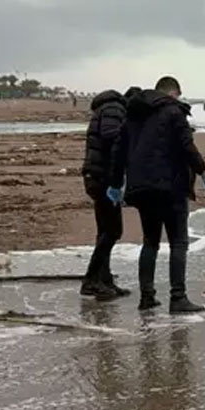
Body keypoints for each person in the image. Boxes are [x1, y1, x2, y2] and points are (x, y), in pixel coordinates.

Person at [110, 76, 205, 313]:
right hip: (171, 188)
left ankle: (147, 297)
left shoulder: (133, 114)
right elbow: (187, 146)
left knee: (150, 242)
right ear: (173, 93)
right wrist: (204, 173)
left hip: (141, 189)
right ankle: (178, 298)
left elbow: (119, 152)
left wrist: (116, 184)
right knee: (179, 242)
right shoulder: (173, 112)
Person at [80, 88, 135, 301]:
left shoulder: (106, 108)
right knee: (112, 231)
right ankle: (91, 280)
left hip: (96, 176)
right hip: (102, 178)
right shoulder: (114, 109)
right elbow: (112, 137)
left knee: (106, 230)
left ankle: (104, 279)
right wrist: (117, 180)